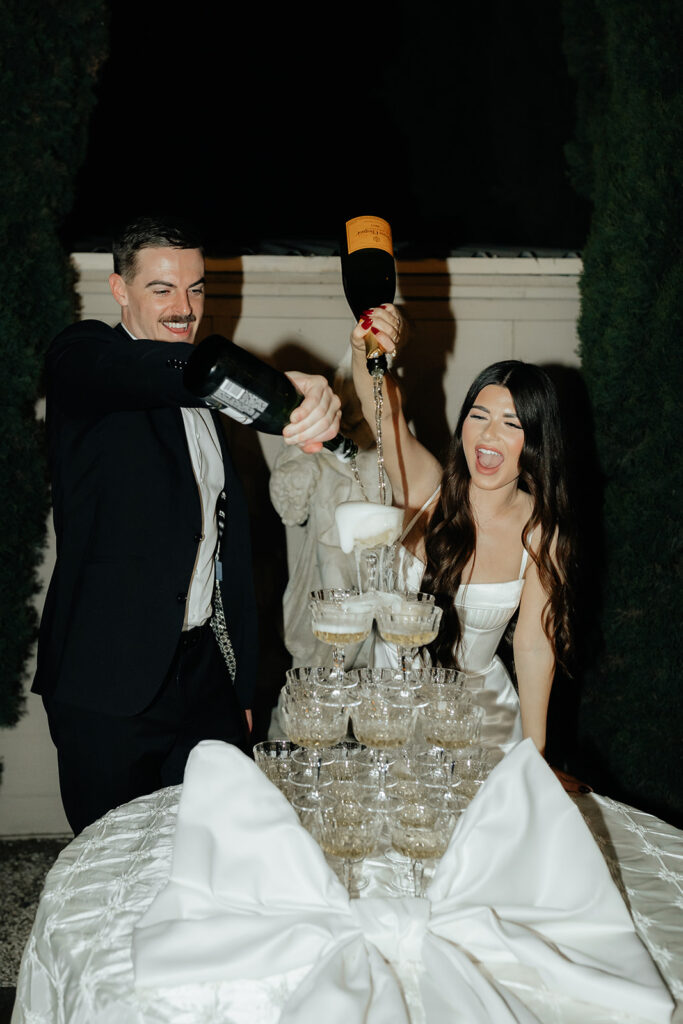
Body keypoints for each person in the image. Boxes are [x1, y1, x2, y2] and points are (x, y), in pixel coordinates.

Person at [33, 216, 341, 834]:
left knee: (219, 858)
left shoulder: (208, 403)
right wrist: (283, 383)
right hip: (109, 683)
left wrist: (242, 688)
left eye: (197, 288)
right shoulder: (84, 359)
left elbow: (229, 553)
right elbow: (144, 372)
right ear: (120, 289)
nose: (184, 307)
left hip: (206, 679)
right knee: (113, 867)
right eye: (162, 289)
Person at [349, 304, 585, 790]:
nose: (488, 433)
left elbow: (534, 644)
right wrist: (363, 349)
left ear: (535, 443)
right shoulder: (424, 489)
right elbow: (384, 409)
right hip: (388, 711)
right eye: (479, 415)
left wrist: (535, 754)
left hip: (481, 722)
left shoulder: (541, 529)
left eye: (511, 423)